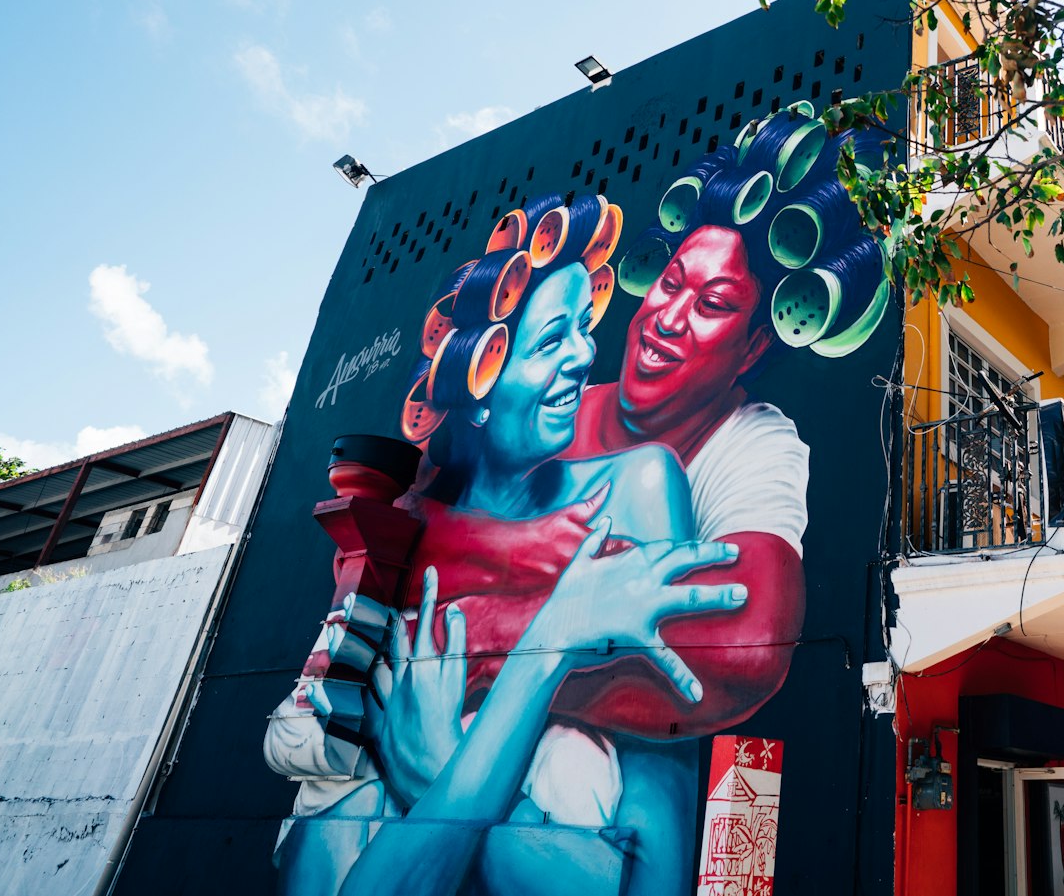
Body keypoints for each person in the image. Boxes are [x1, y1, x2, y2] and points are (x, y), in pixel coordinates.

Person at [267, 108, 890, 896]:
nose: (665, 318)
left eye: (714, 304)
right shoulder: (438, 503)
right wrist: (564, 630)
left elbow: (739, 642)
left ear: (753, 346)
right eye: (670, 284)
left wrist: (474, 693)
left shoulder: (683, 468)